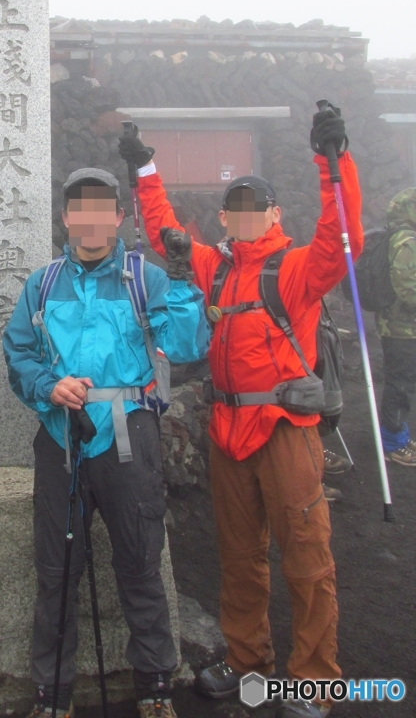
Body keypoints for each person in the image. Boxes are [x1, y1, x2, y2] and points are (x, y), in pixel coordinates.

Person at [119, 107, 363, 718]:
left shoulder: (301, 268)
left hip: (286, 430)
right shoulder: (216, 266)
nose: (248, 218)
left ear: (276, 216)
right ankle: (247, 659)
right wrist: (144, 169)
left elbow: (344, 237)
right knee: (239, 554)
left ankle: (313, 677)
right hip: (227, 429)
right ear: (226, 218)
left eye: (259, 208)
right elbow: (164, 233)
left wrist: (335, 163)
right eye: (237, 210)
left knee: (306, 556)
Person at [3, 168, 209, 718]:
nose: (90, 219)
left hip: (127, 432)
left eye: (103, 208)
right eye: (79, 208)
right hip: (60, 433)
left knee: (140, 563)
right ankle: (53, 695)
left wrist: (184, 276)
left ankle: (156, 686)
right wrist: (50, 386)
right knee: (56, 571)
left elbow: (188, 344)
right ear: (66, 217)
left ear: (118, 217)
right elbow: (18, 353)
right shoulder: (42, 283)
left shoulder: (147, 279)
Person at [376, 187, 416, 466]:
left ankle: (398, 433)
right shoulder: (406, 239)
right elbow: (408, 287)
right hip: (401, 328)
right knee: (399, 383)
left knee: (402, 381)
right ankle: (392, 442)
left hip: (400, 326)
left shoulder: (400, 236)